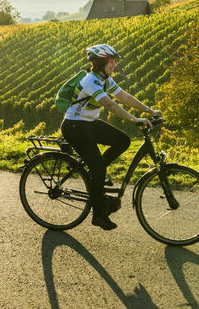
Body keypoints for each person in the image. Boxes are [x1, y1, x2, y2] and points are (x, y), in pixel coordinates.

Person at [60, 44, 162, 230]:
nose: (115, 64)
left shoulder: (105, 79)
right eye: (111, 61)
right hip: (75, 127)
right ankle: (98, 214)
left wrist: (149, 110)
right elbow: (110, 105)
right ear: (100, 63)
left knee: (123, 141)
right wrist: (135, 119)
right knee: (98, 169)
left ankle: (95, 174)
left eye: (114, 61)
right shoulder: (91, 80)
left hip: (89, 124)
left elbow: (124, 97)